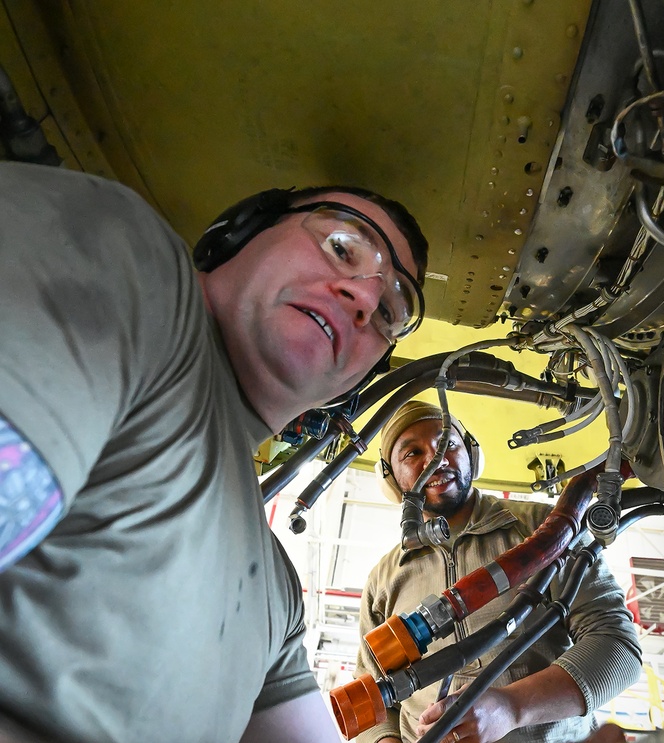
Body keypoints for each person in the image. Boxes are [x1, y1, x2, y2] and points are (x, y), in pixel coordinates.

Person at [0, 161, 428, 742]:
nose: (361, 296)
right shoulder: (132, 263)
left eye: (388, 313)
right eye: (342, 247)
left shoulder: (275, 591)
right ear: (241, 230)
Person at [355, 400, 643, 743]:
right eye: (412, 453)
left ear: (471, 453)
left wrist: (510, 707)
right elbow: (371, 696)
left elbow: (618, 648)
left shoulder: (547, 529)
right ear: (391, 478)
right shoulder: (383, 580)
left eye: (447, 443)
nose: (436, 460)